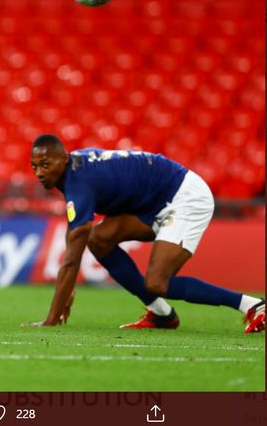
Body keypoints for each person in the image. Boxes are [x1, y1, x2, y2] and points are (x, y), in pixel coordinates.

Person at [26, 134, 265, 333]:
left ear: (64, 159)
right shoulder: (74, 169)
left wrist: (51, 319)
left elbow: (71, 260)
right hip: (151, 202)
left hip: (183, 196)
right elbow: (75, 241)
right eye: (35, 166)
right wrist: (66, 288)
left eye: (45, 165)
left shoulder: (79, 184)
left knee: (157, 283)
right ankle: (162, 314)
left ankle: (253, 305)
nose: (39, 172)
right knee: (99, 239)